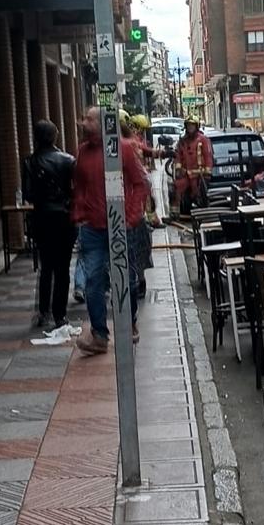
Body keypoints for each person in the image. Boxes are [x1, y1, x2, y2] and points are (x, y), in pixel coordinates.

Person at [72, 106, 151, 355]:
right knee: (93, 281)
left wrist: (130, 217)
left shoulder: (123, 149)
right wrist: (79, 214)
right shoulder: (83, 152)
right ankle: (99, 335)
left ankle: (129, 322)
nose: (83, 123)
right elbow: (79, 186)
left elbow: (141, 183)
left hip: (119, 227)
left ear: (102, 123)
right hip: (92, 228)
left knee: (125, 278)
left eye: (88, 119)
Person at [21, 119, 77, 342]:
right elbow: (75, 190)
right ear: (55, 136)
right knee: (63, 268)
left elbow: (28, 194)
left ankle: (43, 311)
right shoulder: (68, 160)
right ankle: (59, 314)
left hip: (42, 218)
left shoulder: (29, 162)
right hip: (64, 218)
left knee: (46, 267)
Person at [129, 114, 156, 301]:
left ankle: (138, 281)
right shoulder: (131, 144)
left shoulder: (132, 143)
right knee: (138, 248)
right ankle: (138, 280)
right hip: (133, 210)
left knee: (138, 247)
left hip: (135, 210)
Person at [172, 114, 213, 216]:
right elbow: (178, 155)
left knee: (202, 196)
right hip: (186, 175)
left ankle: (204, 214)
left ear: (197, 126)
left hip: (200, 175)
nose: (190, 127)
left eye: (192, 125)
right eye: (188, 125)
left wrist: (207, 172)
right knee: (177, 190)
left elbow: (208, 155)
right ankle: (178, 214)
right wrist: (178, 169)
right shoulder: (182, 141)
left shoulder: (203, 139)